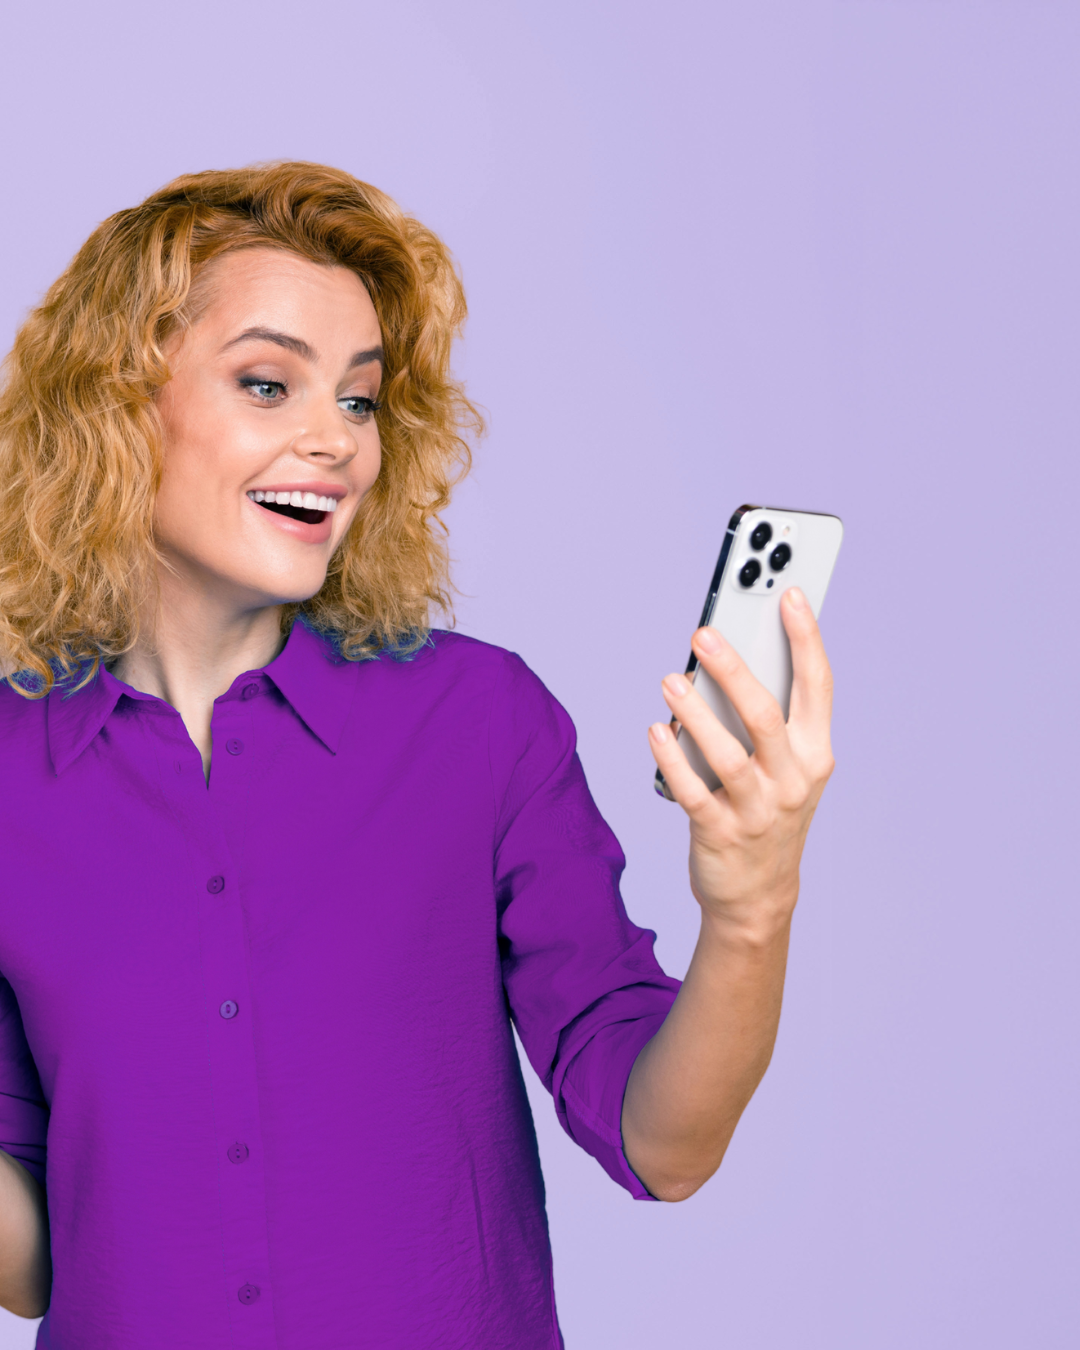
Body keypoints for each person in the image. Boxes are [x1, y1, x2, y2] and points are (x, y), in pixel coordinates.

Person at [0, 162, 835, 1348]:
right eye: (267, 383)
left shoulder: (478, 723)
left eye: (358, 400)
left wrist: (753, 907)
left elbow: (666, 1146)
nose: (332, 442)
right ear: (117, 406)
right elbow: (38, 1261)